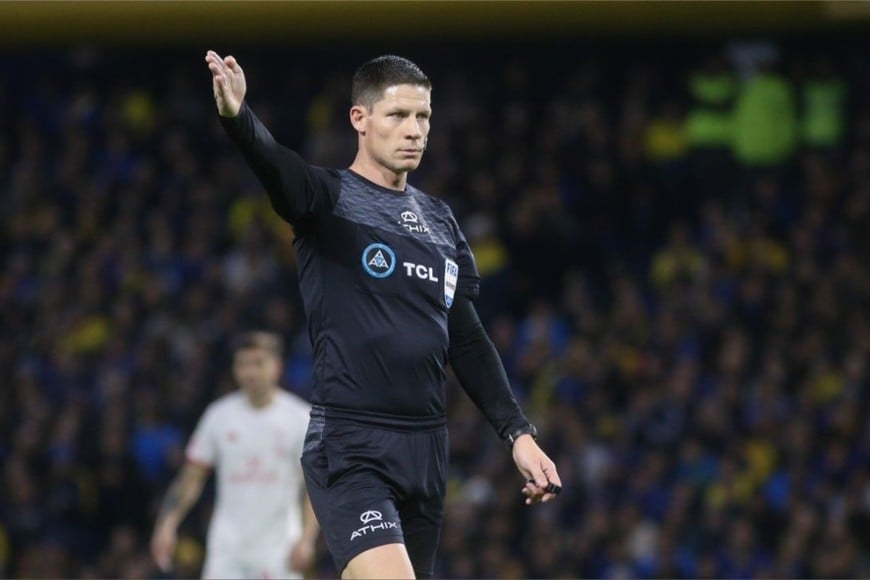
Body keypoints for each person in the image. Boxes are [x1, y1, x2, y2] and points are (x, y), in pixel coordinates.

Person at [205, 49, 562, 579]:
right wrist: (239, 119)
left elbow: (464, 339)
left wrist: (519, 434)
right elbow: (277, 166)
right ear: (360, 119)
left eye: (423, 117)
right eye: (398, 115)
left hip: (426, 451)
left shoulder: (441, 224)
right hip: (351, 445)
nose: (414, 130)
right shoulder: (326, 201)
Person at [150, 331, 319, 579]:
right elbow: (191, 477)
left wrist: (307, 538)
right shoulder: (218, 416)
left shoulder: (300, 418)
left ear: (276, 367)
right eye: (242, 364)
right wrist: (167, 523)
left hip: (278, 549)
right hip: (226, 548)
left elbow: (314, 487)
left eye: (258, 363)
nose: (249, 372)